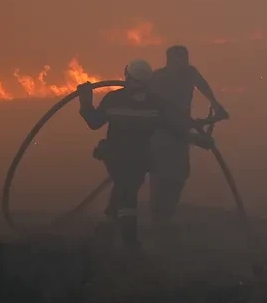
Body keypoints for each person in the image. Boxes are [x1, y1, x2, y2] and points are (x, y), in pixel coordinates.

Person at [79, 59, 212, 250]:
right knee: (128, 193)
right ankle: (127, 238)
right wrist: (200, 140)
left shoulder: (114, 99)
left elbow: (94, 122)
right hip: (139, 159)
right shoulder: (155, 104)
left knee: (125, 191)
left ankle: (112, 230)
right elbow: (175, 130)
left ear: (127, 76)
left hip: (118, 156)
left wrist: (85, 101)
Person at [148, 45, 228, 231]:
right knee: (160, 176)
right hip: (161, 133)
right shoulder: (157, 77)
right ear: (168, 60)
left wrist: (216, 105)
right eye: (176, 60)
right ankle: (157, 219)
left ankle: (166, 216)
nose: (180, 64)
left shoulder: (190, 73)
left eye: (183, 60)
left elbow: (203, 86)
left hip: (181, 130)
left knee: (180, 174)